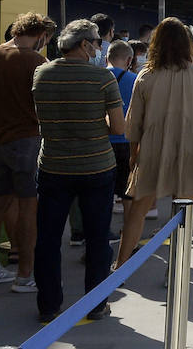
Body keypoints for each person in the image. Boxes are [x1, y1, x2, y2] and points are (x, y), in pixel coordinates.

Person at [31, 20, 124, 323]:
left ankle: (48, 304)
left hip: (54, 165)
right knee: (98, 238)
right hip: (96, 165)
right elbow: (119, 127)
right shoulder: (102, 78)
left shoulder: (42, 74)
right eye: (97, 42)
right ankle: (96, 303)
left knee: (48, 238)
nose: (100, 48)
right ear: (84, 45)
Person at [120, 18, 193, 258]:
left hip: (152, 150)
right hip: (189, 149)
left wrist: (134, 156)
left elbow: (134, 123)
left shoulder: (146, 76)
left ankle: (120, 265)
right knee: (182, 215)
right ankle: (175, 270)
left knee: (137, 212)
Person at [0, 12, 55, 292]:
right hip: (27, 139)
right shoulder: (36, 61)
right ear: (41, 35)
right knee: (27, 205)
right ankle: (25, 274)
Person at [106, 40, 138, 219]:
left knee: (104, 190)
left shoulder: (98, 77)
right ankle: (128, 229)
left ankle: (102, 231)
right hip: (127, 141)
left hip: (103, 141)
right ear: (129, 60)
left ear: (107, 58)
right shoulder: (134, 80)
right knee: (128, 190)